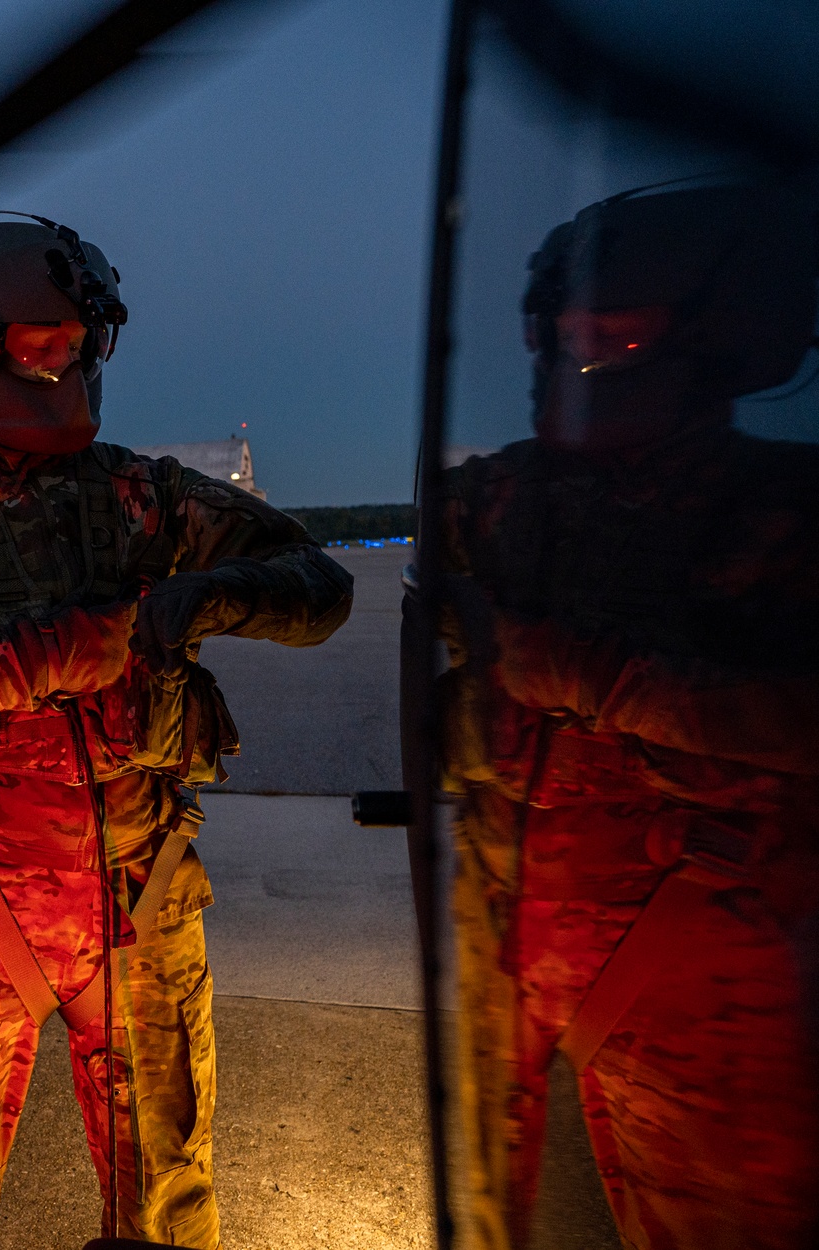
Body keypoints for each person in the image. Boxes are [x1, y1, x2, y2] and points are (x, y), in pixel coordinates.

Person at [0, 214, 352, 1249]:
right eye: (40, 341)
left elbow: (318, 586)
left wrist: (202, 597)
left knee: (169, 1203)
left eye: (82, 340)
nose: (67, 360)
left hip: (142, 903)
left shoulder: (138, 495)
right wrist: (43, 654)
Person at [437, 184, 819, 1250]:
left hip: (702, 957)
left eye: (620, 332)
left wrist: (596, 678)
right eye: (569, 330)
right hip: (507, 921)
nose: (582, 351)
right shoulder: (503, 499)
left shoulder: (783, 509)